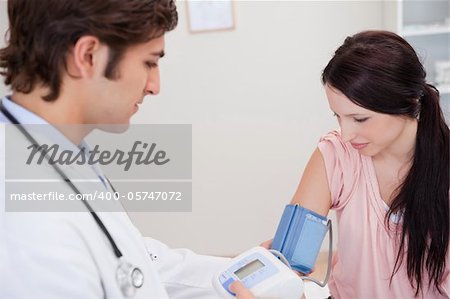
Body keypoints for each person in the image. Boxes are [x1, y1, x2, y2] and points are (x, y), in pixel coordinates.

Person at [0, 0, 256, 298]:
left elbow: (128, 261)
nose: (154, 86)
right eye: (149, 62)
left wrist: (240, 272)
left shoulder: (54, 149)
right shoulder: (28, 225)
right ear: (88, 55)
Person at [289, 30, 449, 298]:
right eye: (339, 117)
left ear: (409, 101)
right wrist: (284, 279)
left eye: (360, 119)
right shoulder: (336, 153)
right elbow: (292, 256)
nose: (347, 133)